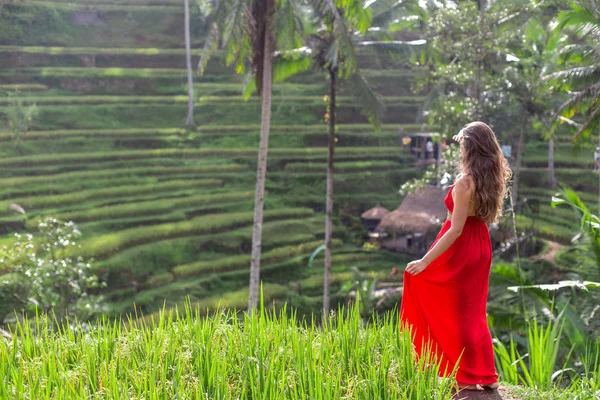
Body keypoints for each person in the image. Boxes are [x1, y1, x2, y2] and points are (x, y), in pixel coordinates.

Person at [399, 121, 511, 392]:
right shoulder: (493, 176)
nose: (460, 148)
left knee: (438, 296)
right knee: (474, 311)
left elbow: (455, 229)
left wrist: (425, 260)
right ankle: (486, 374)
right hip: (481, 245)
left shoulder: (465, 183)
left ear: (470, 147)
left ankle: (465, 373)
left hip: (460, 247)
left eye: (462, 144)